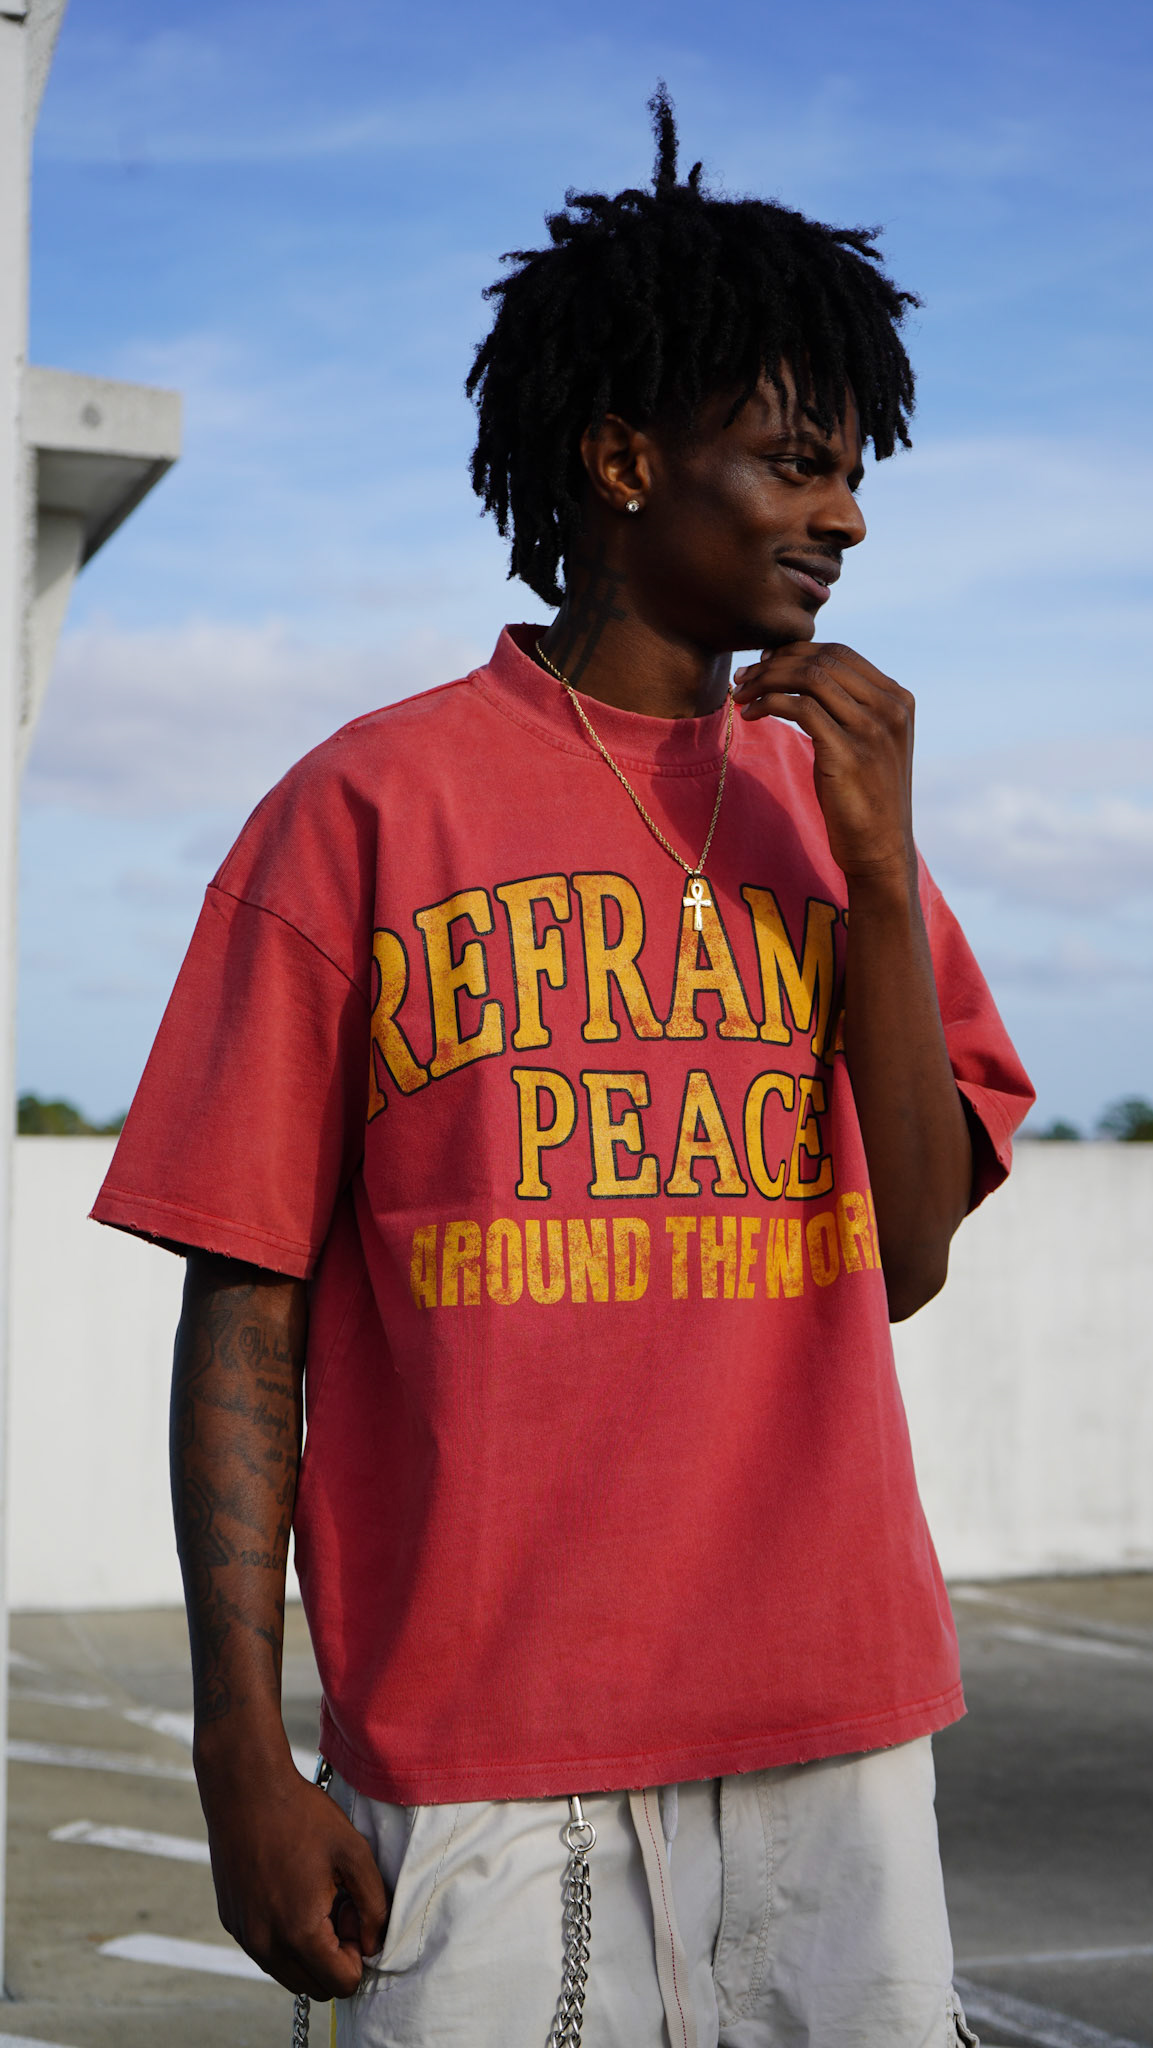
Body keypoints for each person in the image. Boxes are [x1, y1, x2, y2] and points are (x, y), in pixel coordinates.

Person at [94, 88, 1033, 2048]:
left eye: (854, 471)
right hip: (478, 1746)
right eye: (794, 461)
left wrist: (875, 876)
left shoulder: (837, 816)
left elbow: (907, 1259)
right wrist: (236, 1743)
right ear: (618, 459)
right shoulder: (361, 808)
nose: (846, 516)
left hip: (830, 1716)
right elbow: (244, 1305)